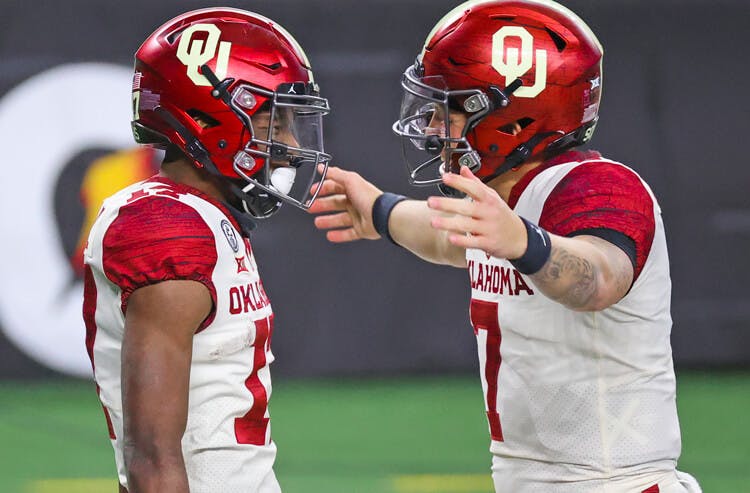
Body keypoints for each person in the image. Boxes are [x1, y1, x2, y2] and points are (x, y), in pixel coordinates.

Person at [310, 1, 701, 491]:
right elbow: (446, 238)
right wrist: (379, 212)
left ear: (514, 119)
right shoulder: (506, 201)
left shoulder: (598, 185)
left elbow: (600, 278)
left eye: (447, 110)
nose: (432, 129)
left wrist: (524, 244)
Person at [82, 8, 331, 492]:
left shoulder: (205, 216)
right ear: (206, 117)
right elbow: (151, 455)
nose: (289, 143)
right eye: (271, 122)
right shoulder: (167, 229)